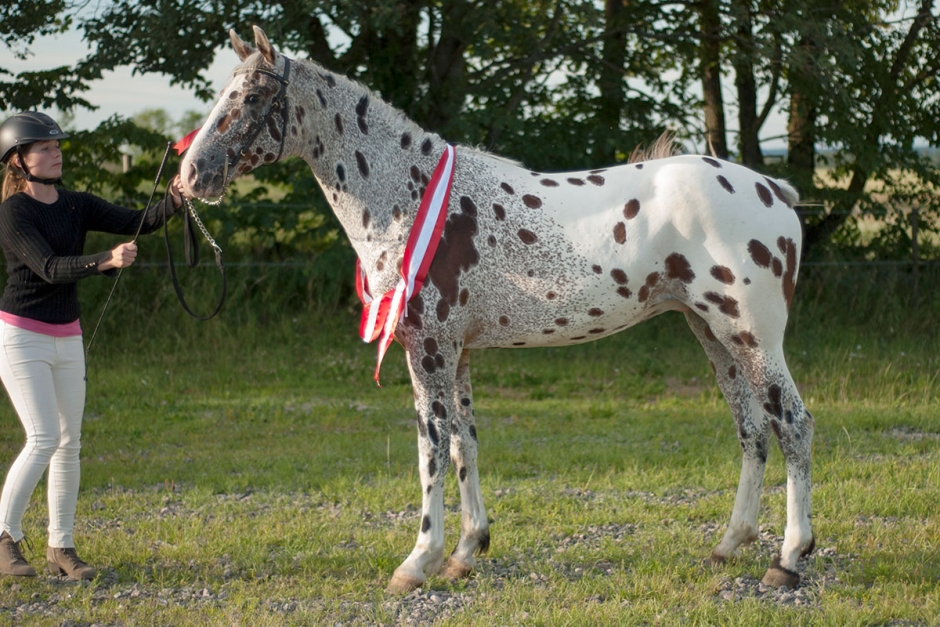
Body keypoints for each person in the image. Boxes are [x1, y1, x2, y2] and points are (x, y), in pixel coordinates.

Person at [0, 111, 182, 580]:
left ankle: (61, 549)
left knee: (69, 444)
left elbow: (137, 220)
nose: (55, 151)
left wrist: (177, 198)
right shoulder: (14, 211)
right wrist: (105, 260)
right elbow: (48, 266)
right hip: (21, 336)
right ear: (18, 160)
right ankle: (4, 538)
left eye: (57, 145)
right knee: (42, 438)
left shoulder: (76, 203)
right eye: (44, 147)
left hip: (68, 336)